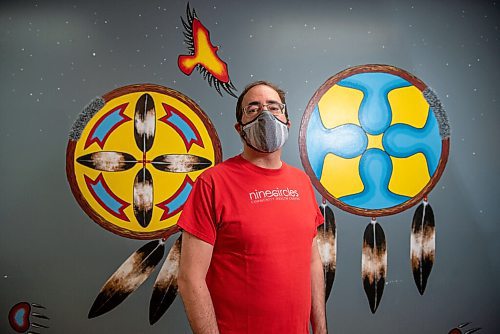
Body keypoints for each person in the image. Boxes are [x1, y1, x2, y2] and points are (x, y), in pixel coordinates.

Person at [177, 81, 327, 333]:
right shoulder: (212, 183)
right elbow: (189, 278)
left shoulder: (301, 181)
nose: (265, 114)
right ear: (240, 128)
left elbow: (312, 261)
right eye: (253, 108)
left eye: (274, 107)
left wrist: (321, 329)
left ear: (287, 122)